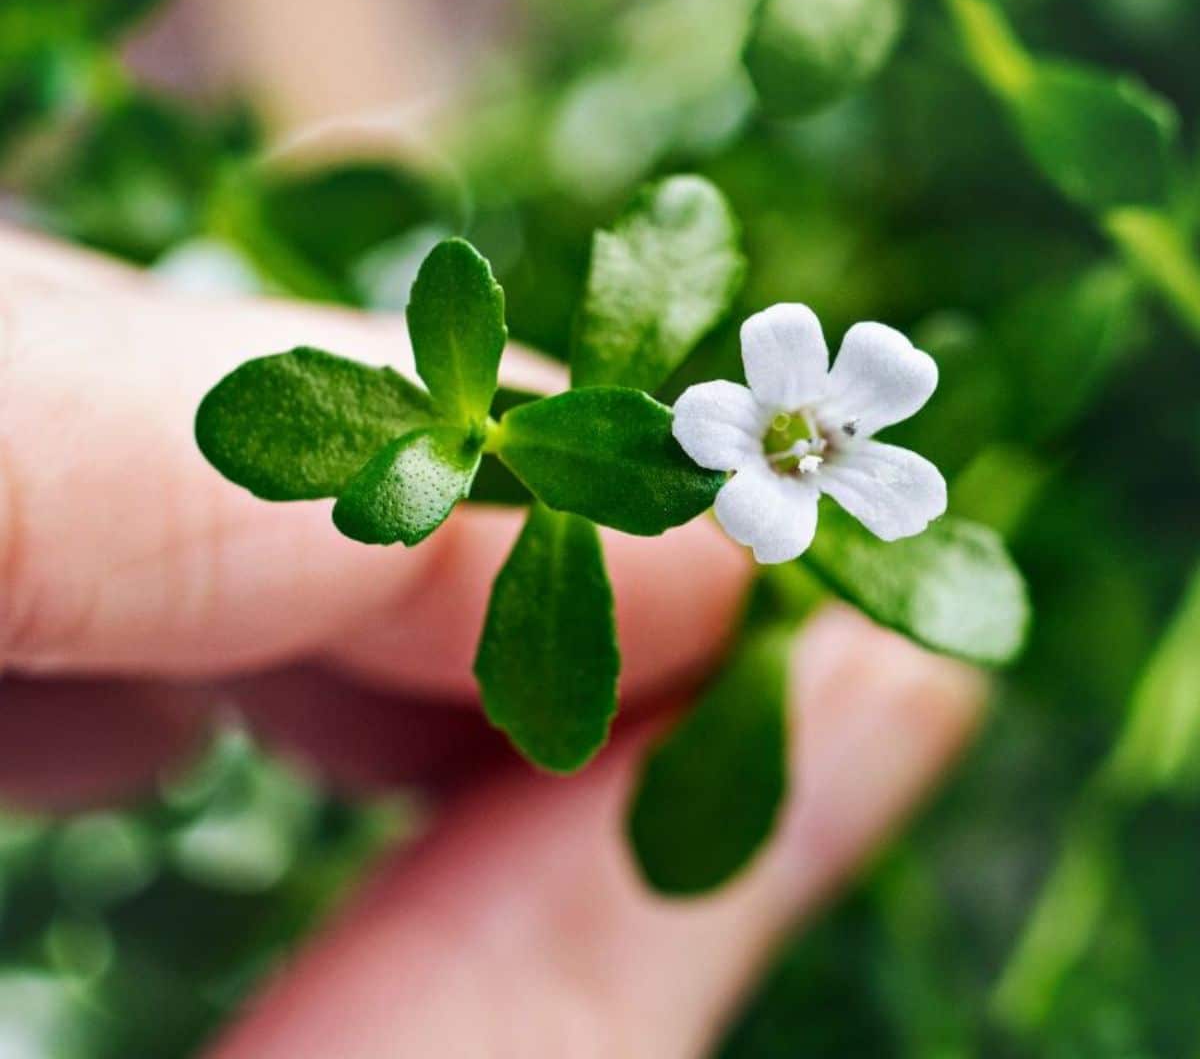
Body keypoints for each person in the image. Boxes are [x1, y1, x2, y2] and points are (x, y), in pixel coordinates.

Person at [0, 227, 983, 1057]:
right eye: (792, 435)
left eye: (808, 441)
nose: (801, 442)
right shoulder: (737, 449)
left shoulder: (819, 466)